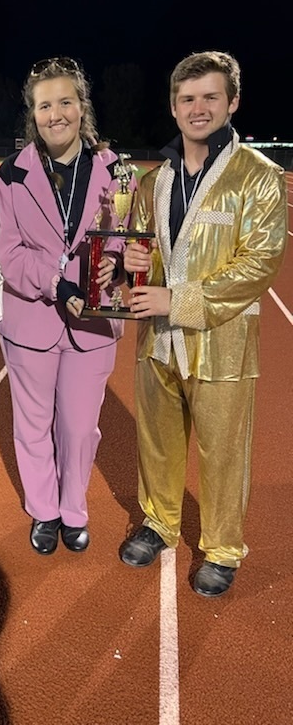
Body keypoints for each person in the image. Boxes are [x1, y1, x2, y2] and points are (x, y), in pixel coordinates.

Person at [120, 50, 287, 597]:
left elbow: (258, 264)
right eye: (188, 98)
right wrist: (132, 263)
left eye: (210, 96)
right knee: (158, 441)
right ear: (173, 107)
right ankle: (159, 521)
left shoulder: (258, 178)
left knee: (223, 450)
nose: (198, 108)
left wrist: (177, 299)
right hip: (158, 341)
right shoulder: (155, 179)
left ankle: (221, 547)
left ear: (232, 102)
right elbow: (142, 248)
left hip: (222, 341)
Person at [0, 56, 131, 556]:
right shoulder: (10, 175)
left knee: (78, 426)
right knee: (31, 424)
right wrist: (58, 283)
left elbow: (121, 237)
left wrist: (114, 268)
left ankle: (74, 509)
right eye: (44, 105)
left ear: (81, 106)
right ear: (33, 113)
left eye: (65, 102)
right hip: (31, 317)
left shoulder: (116, 169)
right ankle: (45, 511)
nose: (56, 114)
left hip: (94, 323)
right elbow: (7, 252)